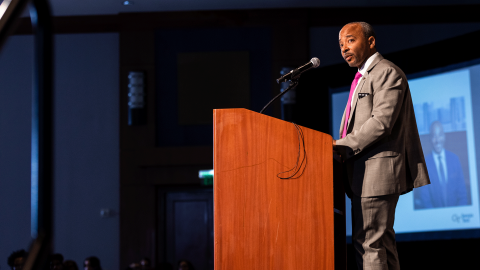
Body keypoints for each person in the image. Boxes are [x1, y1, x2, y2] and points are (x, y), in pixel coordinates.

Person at [333, 22, 430, 269]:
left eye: (350, 40)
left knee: (369, 243)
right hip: (361, 174)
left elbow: (381, 122)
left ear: (371, 42)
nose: (344, 48)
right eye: (341, 43)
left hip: (377, 174)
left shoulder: (386, 72)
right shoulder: (362, 77)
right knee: (381, 244)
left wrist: (340, 146)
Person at [415, 121, 469, 208]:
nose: (437, 140)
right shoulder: (424, 165)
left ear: (444, 136)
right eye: (434, 136)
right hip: (435, 219)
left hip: (456, 217)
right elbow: (425, 200)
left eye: (440, 135)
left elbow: (463, 195)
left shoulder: (455, 159)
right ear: (430, 139)